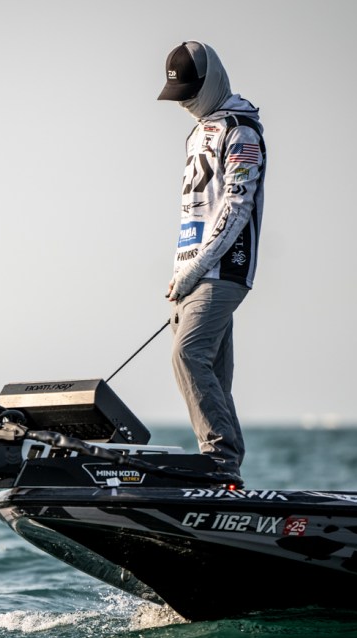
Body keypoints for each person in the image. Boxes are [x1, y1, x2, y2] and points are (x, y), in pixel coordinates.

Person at [157, 41, 266, 476]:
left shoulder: (242, 130)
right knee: (214, 375)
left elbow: (237, 206)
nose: (183, 102)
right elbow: (194, 212)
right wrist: (180, 270)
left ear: (211, 82)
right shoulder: (197, 132)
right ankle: (228, 472)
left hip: (225, 268)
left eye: (189, 93)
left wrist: (195, 269)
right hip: (192, 270)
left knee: (187, 355)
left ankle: (219, 457)